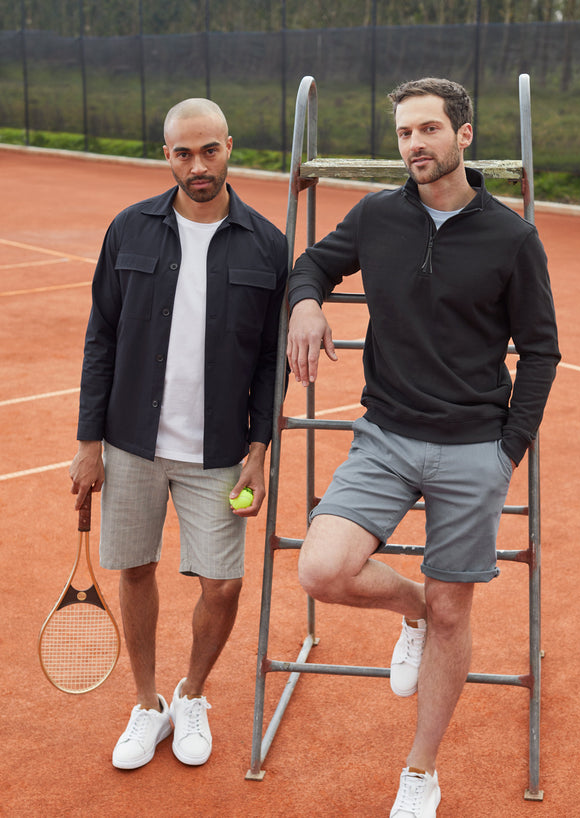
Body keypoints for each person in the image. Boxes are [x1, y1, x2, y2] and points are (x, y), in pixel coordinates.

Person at [286, 78, 560, 817]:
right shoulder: (376, 216)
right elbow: (311, 263)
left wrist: (508, 452)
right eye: (405, 133)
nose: (414, 145)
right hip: (385, 435)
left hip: (476, 446)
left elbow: (540, 351)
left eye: (429, 130)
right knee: (321, 568)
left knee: (456, 613)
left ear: (464, 136)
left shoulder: (511, 237)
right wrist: (307, 303)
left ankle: (420, 771)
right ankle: (412, 612)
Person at [69, 98, 288, 770]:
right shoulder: (129, 229)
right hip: (131, 440)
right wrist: (88, 444)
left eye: (209, 150)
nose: (198, 165)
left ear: (229, 146)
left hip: (219, 451)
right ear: (166, 154)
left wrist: (259, 450)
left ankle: (192, 694)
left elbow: (270, 361)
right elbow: (101, 336)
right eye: (183, 153)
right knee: (135, 569)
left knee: (222, 583)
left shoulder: (267, 243)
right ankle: (146, 704)